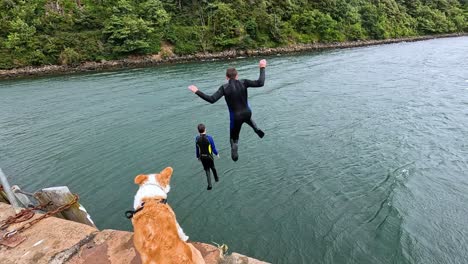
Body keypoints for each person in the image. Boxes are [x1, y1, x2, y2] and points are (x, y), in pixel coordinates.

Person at [188, 59, 267, 161]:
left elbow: (211, 99)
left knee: (233, 139)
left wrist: (196, 91)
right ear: (237, 75)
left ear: (226, 77)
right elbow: (261, 83)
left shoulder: (224, 88)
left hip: (236, 118)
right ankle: (256, 129)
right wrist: (262, 67)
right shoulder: (244, 82)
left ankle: (235, 153)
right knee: (247, 118)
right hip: (247, 113)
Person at [195, 123, 219, 190]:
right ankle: (216, 178)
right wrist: (217, 154)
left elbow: (197, 148)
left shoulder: (197, 138)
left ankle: (210, 185)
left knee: (207, 170)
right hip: (209, 157)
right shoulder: (209, 138)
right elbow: (213, 148)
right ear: (205, 129)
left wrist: (197, 157)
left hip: (202, 157)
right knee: (213, 167)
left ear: (198, 131)